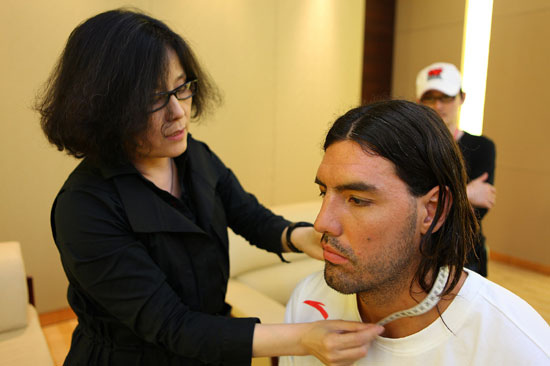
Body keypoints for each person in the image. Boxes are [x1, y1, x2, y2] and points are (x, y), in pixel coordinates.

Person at [36, 9, 381, 366]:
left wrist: (300, 236)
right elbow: (173, 325)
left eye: (181, 88)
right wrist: (302, 338)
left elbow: (248, 215)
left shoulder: (194, 155)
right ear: (106, 106)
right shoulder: (85, 207)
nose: (178, 113)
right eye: (152, 98)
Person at [280, 101, 550, 365]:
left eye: (357, 200)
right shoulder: (308, 304)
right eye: (323, 192)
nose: (321, 223)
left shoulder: (515, 346)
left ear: (432, 210)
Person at [416, 62, 496, 276]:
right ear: (418, 102)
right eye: (430, 98)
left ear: (462, 98)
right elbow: (410, 204)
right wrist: (466, 193)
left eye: (446, 98)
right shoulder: (411, 147)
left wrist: (432, 200)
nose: (438, 106)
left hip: (467, 253)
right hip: (418, 252)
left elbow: (479, 210)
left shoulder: (483, 147)